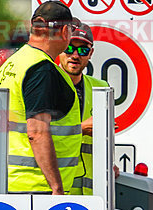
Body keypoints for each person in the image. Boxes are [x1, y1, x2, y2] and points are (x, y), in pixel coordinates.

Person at [0, 1, 81, 195]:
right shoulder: (41, 69)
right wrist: (56, 187)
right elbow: (37, 132)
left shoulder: (12, 63)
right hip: (38, 186)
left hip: (11, 180)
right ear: (65, 31)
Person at [58, 19, 113, 195]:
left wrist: (109, 164)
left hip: (92, 191)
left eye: (82, 50)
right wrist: (80, 129)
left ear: (91, 53)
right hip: (59, 189)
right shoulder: (47, 84)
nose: (75, 55)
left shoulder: (101, 87)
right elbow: (38, 133)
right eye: (69, 48)